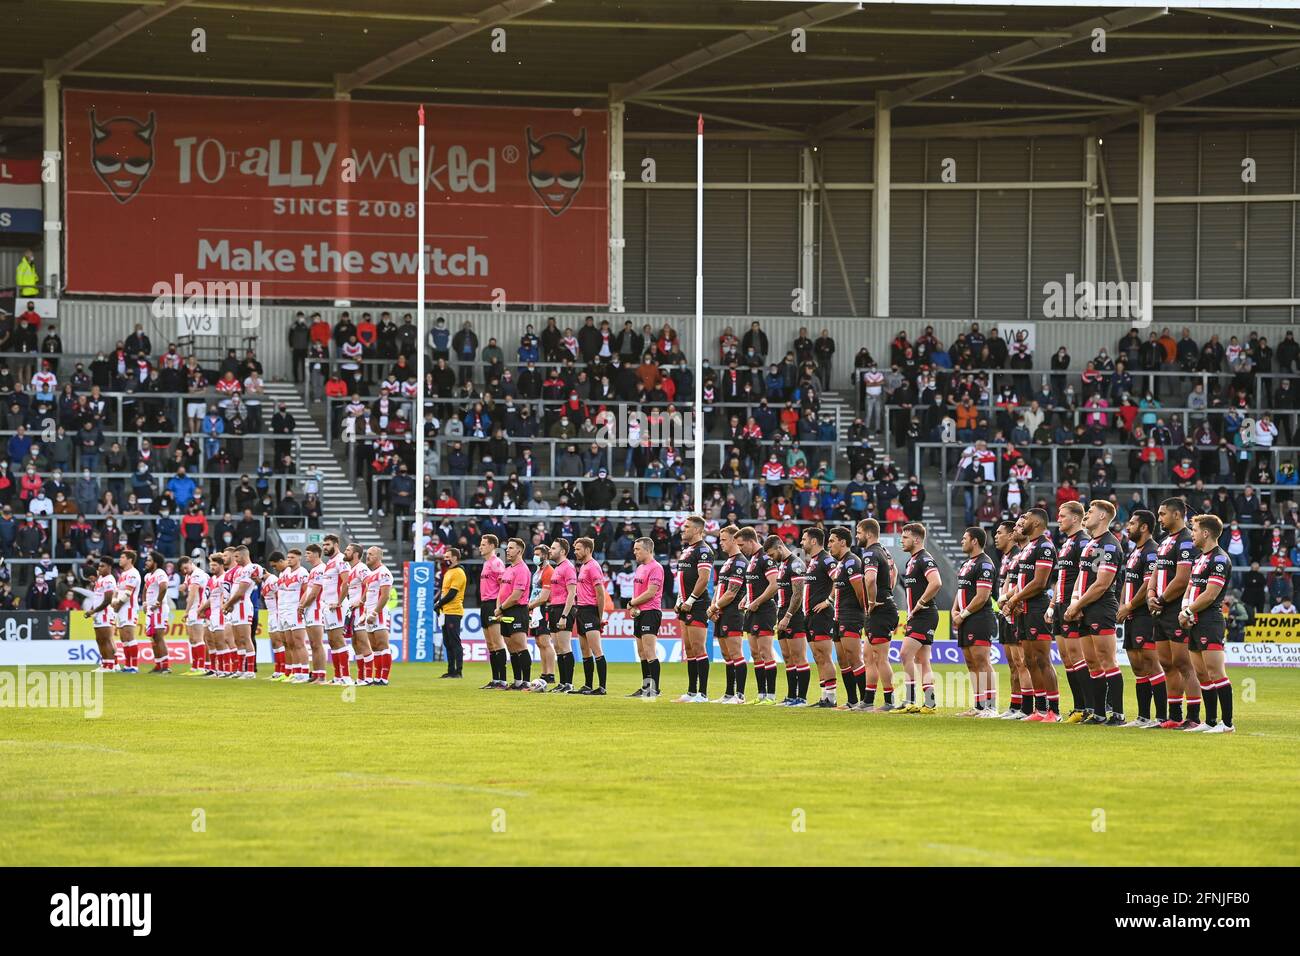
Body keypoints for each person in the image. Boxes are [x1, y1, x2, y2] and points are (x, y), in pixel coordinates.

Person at [1065, 500, 1124, 725]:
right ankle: (1099, 713)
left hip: (1101, 606)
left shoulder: (1110, 544)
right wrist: (1075, 602)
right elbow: (1082, 578)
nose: (1086, 515)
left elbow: (1102, 584)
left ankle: (1117, 713)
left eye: (1090, 512)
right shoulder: (1091, 544)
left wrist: (1077, 605)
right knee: (1091, 661)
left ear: (1102, 517)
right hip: (1085, 607)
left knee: (1107, 660)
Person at [1001, 509, 1060, 721]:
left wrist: (1014, 599)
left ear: (1035, 522)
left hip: (1037, 607)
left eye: (1024, 519)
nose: (1021, 522)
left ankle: (1054, 710)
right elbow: (1022, 583)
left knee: (1043, 660)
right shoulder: (1028, 549)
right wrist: (1011, 600)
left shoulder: (1044, 546)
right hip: (1023, 608)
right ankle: (1040, 708)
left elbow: (1039, 582)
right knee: (1030, 661)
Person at [1179, 513, 1235, 733]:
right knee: (1201, 673)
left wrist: (1188, 610)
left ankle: (1228, 723)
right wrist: (1185, 611)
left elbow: (1211, 594)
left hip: (1210, 620)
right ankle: (1210, 721)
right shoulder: (1200, 558)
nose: (1191, 534)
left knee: (1215, 672)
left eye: (1194, 530)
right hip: (1194, 621)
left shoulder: (1219, 559)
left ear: (1206, 533)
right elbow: (1192, 588)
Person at [1149, 497, 1201, 730]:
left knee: (1183, 663)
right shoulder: (1165, 541)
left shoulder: (1187, 541)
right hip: (1160, 608)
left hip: (1176, 609)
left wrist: (1160, 599)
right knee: (1167, 663)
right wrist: (1150, 594)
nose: (1159, 518)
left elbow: (1183, 579)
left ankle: (1193, 716)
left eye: (1162, 514)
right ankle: (1174, 715)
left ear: (1177, 515)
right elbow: (1156, 572)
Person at [1116, 509, 1167, 727]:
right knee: (1138, 666)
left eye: (1132, 523)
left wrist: (1128, 606)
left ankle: (1162, 717)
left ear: (1144, 527)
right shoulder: (1134, 552)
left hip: (1145, 615)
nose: (1128, 526)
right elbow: (1128, 583)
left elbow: (1148, 584)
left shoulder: (1152, 551)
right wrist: (1122, 606)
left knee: (1152, 664)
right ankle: (1143, 716)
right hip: (1131, 616)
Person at [1048, 501, 1091, 722]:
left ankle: (1088, 706)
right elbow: (1060, 579)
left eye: (1063, 516)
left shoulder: (1084, 541)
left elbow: (1090, 576)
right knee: (1067, 658)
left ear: (1075, 518)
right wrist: (1052, 604)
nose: (1059, 519)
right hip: (1061, 605)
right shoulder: (1067, 543)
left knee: (1078, 656)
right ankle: (1078, 707)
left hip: (1073, 605)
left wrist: (1079, 604)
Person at [951, 527, 999, 717]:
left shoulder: (985, 564)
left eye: (965, 538)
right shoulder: (966, 564)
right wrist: (955, 610)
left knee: (982, 660)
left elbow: (982, 596)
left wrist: (962, 615)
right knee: (971, 663)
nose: (962, 541)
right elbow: (961, 590)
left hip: (979, 617)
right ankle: (979, 705)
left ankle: (991, 706)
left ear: (975, 541)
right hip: (965, 618)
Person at [897, 522, 942, 714]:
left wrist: (920, 603)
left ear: (916, 539)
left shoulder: (924, 559)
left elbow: (936, 582)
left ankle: (909, 700)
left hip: (924, 614)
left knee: (905, 654)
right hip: (920, 615)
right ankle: (929, 703)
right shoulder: (911, 561)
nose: (901, 540)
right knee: (923, 660)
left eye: (905, 537)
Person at [857, 518, 900, 711]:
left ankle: (889, 701)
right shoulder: (884, 551)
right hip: (883, 608)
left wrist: (873, 601)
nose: (856, 536)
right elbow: (895, 571)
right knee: (868, 656)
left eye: (858, 532)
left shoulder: (870, 553)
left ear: (868, 534)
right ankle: (867, 700)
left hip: (880, 610)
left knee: (880, 657)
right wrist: (888, 591)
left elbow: (870, 579)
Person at [672, 515, 714, 703]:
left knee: (698, 647)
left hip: (697, 604)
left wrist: (690, 599)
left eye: (687, 527)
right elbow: (683, 578)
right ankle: (691, 692)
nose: (684, 529)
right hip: (685, 603)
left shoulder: (704, 550)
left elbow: (703, 578)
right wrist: (679, 599)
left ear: (697, 530)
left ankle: (702, 694)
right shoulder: (687, 550)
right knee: (689, 649)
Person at [825, 526, 868, 710]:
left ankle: (866, 701)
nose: (829, 545)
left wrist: (863, 614)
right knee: (843, 660)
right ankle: (852, 701)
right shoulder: (841, 563)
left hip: (850, 616)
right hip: (838, 616)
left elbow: (860, 592)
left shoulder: (852, 562)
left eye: (832, 541)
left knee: (854, 657)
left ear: (843, 542)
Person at [707, 525, 748, 703]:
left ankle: (740, 695)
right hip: (721, 611)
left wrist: (713, 607)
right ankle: (729, 693)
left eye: (723, 540)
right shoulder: (727, 562)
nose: (720, 543)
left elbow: (732, 592)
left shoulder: (740, 562)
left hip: (733, 612)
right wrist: (714, 606)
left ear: (734, 540)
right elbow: (719, 589)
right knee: (726, 655)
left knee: (735, 652)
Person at [766, 534, 809, 706]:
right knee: (787, 656)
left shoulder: (796, 564)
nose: (770, 558)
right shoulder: (783, 565)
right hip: (782, 612)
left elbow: (798, 594)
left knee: (799, 656)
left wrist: (788, 616)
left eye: (771, 554)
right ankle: (791, 696)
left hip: (794, 615)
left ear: (779, 547)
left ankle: (802, 698)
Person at [738, 527, 779, 704]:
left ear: (750, 541)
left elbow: (774, 584)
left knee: (765, 652)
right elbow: (756, 584)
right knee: (755, 653)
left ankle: (771, 695)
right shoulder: (753, 560)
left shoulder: (765, 558)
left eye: (741, 545)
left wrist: (758, 601)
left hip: (764, 610)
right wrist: (746, 598)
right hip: (752, 609)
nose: (740, 549)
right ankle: (761, 694)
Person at [994, 520, 1031, 718]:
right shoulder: (1007, 557)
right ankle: (1015, 705)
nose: (996, 536)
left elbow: (1020, 584)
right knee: (1013, 663)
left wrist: (1009, 601)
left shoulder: (1018, 555)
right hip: (1005, 611)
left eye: (1000, 533)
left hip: (1015, 610)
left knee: (1021, 662)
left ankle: (1027, 706)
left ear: (1010, 536)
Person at [800, 527, 839, 708]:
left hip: (822, 615)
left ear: (813, 541)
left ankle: (831, 697)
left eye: (804, 539)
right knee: (817, 656)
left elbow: (839, 580)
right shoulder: (814, 561)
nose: (802, 542)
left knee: (824, 655)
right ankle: (824, 696)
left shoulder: (826, 560)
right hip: (810, 615)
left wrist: (828, 600)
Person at [627, 537, 665, 699]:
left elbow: (651, 592)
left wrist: (631, 603)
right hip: (640, 612)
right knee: (641, 652)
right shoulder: (640, 568)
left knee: (649, 651)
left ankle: (654, 689)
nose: (634, 552)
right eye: (634, 549)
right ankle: (646, 686)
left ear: (648, 550)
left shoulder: (656, 568)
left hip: (651, 612)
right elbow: (639, 591)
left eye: (638, 549)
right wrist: (634, 607)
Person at [570, 536, 608, 695]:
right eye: (575, 549)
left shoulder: (593, 566)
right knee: (585, 650)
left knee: (596, 650)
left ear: (587, 549)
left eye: (578, 549)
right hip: (581, 611)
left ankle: (602, 687)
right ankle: (587, 685)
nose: (575, 552)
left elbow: (600, 594)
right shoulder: (584, 566)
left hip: (591, 610)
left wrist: (599, 617)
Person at [493, 537, 533, 690]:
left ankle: (526, 682)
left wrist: (501, 608)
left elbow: (516, 596)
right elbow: (501, 592)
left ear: (519, 551)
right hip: (505, 610)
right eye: (507, 548)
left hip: (517, 610)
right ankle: (517, 681)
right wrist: (499, 609)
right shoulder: (508, 569)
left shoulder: (522, 569)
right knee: (511, 647)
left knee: (520, 645)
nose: (507, 551)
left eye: (510, 548)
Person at [546, 539, 578, 693]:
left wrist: (564, 615)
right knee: (558, 648)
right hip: (553, 608)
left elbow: (572, 593)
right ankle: (562, 683)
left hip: (563, 609)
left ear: (563, 551)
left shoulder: (568, 568)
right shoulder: (557, 568)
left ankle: (569, 684)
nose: (550, 551)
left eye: (553, 548)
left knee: (565, 647)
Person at [477, 535, 508, 690]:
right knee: (490, 644)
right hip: (484, 605)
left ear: (491, 546)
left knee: (497, 642)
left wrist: (499, 606)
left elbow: (502, 586)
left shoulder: (496, 563)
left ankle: (502, 679)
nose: (480, 547)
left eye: (483, 544)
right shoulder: (486, 564)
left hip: (492, 604)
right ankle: (495, 679)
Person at [361, 546, 394, 685]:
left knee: (382, 645)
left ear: (379, 557)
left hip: (379, 614)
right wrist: (364, 613)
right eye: (367, 554)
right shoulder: (370, 575)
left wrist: (375, 613)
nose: (367, 557)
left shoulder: (384, 573)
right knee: (374, 646)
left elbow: (385, 596)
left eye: (371, 554)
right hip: (369, 614)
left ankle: (384, 679)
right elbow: (368, 596)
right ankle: (377, 677)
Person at [436, 548, 466, 679]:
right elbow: (445, 592)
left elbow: (452, 594)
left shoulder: (458, 572)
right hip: (446, 611)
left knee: (454, 642)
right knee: (448, 642)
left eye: (447, 557)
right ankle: (451, 670)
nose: (445, 559)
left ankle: (458, 671)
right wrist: (439, 605)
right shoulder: (449, 572)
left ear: (455, 558)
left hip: (454, 611)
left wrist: (438, 604)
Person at [85, 558, 119, 673]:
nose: (99, 568)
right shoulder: (101, 579)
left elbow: (107, 600)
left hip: (104, 613)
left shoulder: (109, 580)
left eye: (102, 566)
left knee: (106, 640)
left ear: (109, 567)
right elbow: (97, 598)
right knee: (99, 640)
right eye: (99, 566)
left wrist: (93, 611)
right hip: (98, 614)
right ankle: (105, 664)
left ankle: (110, 666)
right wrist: (91, 610)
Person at [112, 550, 143, 674]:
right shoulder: (123, 574)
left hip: (128, 608)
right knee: (123, 638)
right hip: (120, 608)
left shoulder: (133, 573)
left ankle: (134, 666)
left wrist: (117, 604)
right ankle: (128, 665)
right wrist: (114, 600)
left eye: (122, 557)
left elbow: (128, 593)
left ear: (129, 560)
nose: (120, 559)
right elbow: (117, 590)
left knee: (129, 636)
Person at [141, 550, 172, 674]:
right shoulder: (148, 576)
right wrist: (144, 602)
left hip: (159, 609)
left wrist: (158, 602)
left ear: (155, 562)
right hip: (150, 609)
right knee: (153, 638)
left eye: (149, 560)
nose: (146, 562)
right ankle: (158, 664)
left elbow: (164, 587)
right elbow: (144, 590)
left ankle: (166, 666)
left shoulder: (160, 573)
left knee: (159, 637)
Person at [179, 554, 209, 676]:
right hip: (193, 609)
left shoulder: (197, 574)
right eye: (183, 570)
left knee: (198, 638)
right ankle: (194, 666)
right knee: (192, 639)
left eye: (186, 568)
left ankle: (201, 667)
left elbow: (192, 594)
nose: (185, 571)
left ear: (191, 562)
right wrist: (183, 586)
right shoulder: (189, 574)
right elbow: (187, 584)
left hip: (198, 609)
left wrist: (186, 611)